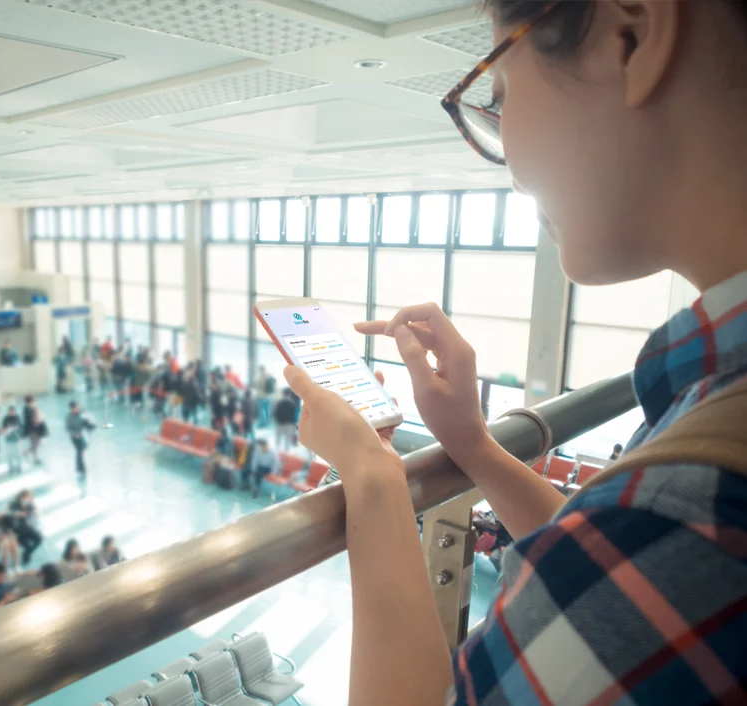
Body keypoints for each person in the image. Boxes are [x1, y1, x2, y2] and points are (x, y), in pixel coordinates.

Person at [282, 1, 747, 701]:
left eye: (498, 98)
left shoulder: (695, 513)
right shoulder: (703, 442)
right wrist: (472, 444)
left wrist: (373, 478)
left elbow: (647, 546)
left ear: (632, 37)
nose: (510, 158)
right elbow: (608, 568)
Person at [7, 490, 42, 566]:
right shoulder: (14, 504)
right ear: (20, 497)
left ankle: (27, 553)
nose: (26, 500)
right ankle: (27, 555)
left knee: (39, 539)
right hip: (17, 529)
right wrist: (17, 514)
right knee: (26, 544)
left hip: (28, 527)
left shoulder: (30, 506)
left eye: (28, 498)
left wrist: (35, 513)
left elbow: (35, 517)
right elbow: (9, 515)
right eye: (25, 498)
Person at [65, 401, 96, 480]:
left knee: (81, 451)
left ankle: (80, 468)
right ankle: (82, 469)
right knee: (79, 452)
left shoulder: (81, 414)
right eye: (75, 407)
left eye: (77, 407)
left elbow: (86, 423)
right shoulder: (69, 417)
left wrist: (90, 423)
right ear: (71, 408)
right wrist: (75, 434)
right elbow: (68, 428)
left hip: (82, 436)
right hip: (75, 438)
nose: (77, 409)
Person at [22, 396, 44, 465]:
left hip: (35, 429)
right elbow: (29, 420)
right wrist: (36, 423)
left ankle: (27, 452)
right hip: (32, 430)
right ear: (31, 401)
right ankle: (35, 458)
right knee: (35, 444)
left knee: (37, 443)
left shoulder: (31, 408)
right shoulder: (27, 409)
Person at [1, 405, 23, 475]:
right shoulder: (5, 418)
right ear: (8, 412)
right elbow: (3, 429)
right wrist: (7, 429)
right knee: (9, 454)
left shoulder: (17, 418)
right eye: (10, 411)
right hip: (8, 439)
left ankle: (19, 466)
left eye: (13, 411)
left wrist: (18, 432)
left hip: (16, 439)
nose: (12, 412)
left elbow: (21, 427)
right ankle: (11, 467)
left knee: (18, 454)